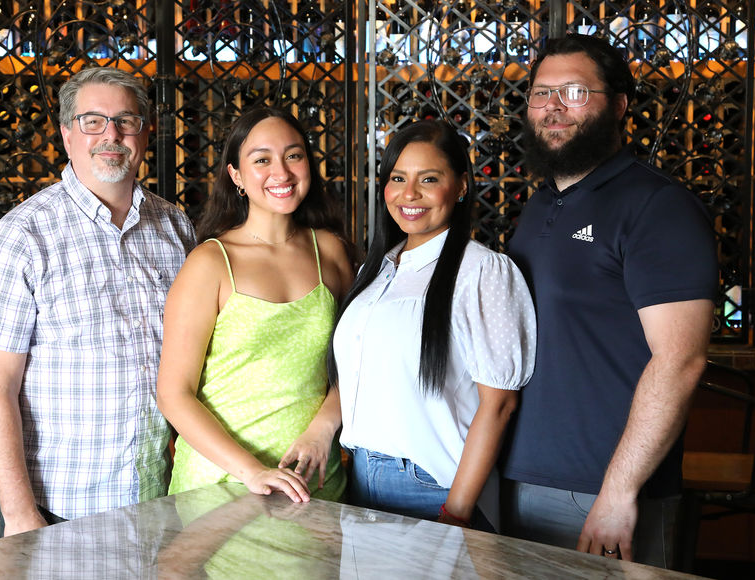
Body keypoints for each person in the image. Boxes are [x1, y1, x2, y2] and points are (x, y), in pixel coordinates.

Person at [501, 34, 718, 567]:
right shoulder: (540, 204)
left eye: (575, 92)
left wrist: (619, 492)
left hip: (602, 492)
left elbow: (681, 359)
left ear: (618, 104)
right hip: (520, 476)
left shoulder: (658, 206)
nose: (553, 106)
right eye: (541, 92)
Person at [0, 67, 197, 539]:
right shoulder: (21, 236)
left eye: (126, 120)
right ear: (67, 135)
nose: (112, 135)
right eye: (93, 121)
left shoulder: (175, 227)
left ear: (145, 133)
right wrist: (20, 514)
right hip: (52, 510)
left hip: (155, 501)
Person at [330, 120, 536, 530]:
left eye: (429, 179)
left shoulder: (482, 271)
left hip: (432, 487)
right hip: (360, 478)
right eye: (398, 178)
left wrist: (456, 510)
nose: (409, 194)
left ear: (460, 186)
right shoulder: (377, 269)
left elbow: (499, 404)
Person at [157, 107, 351, 503]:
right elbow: (174, 394)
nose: (281, 172)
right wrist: (253, 471)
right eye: (262, 160)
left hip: (313, 483)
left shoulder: (330, 251)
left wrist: (324, 428)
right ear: (236, 176)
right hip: (220, 485)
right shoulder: (210, 262)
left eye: (293, 155)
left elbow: (356, 365)